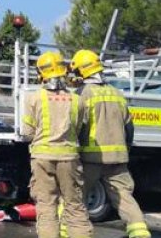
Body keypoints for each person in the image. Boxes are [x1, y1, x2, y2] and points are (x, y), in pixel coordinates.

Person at [70, 49, 151, 238]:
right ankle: (140, 232)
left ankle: (74, 232)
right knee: (124, 197)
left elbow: (77, 127)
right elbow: (129, 127)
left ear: (82, 71)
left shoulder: (82, 94)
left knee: (76, 197)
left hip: (91, 157)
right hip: (118, 158)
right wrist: (125, 150)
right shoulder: (117, 94)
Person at [22, 51, 93, 238]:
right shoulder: (78, 100)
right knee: (75, 207)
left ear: (42, 74)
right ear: (64, 71)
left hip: (42, 159)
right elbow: (78, 130)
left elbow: (27, 133)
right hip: (69, 158)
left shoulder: (33, 98)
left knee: (46, 207)